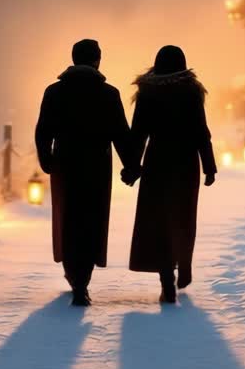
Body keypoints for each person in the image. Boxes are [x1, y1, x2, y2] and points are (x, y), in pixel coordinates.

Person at [35, 39, 138, 307]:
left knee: (68, 218)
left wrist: (47, 161)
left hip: (65, 163)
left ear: (73, 59)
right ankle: (83, 281)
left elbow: (43, 130)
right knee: (91, 220)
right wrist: (131, 166)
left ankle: (73, 276)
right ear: (97, 60)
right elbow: (120, 134)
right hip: (96, 164)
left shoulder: (54, 92)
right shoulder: (108, 94)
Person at [122, 45, 216, 304]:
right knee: (183, 217)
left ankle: (167, 280)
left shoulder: (148, 92)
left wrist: (132, 167)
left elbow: (138, 133)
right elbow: (201, 130)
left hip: (158, 163)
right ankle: (183, 264)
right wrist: (209, 166)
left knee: (159, 222)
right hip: (186, 163)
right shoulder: (191, 91)